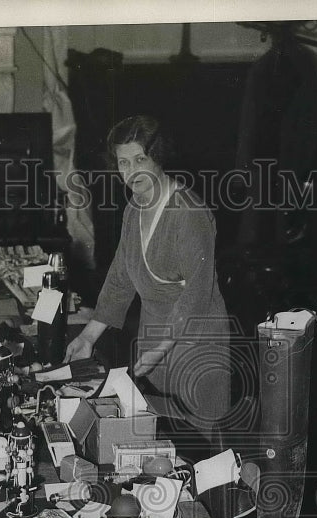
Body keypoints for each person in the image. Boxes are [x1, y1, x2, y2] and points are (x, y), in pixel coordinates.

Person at [63, 115, 232, 448]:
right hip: (155, 342)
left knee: (198, 447)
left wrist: (161, 348)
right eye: (123, 163)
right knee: (157, 442)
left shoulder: (187, 213)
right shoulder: (135, 208)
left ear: (158, 156)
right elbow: (120, 277)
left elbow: (196, 296)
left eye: (140, 159)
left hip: (195, 343)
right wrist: (87, 336)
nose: (132, 172)